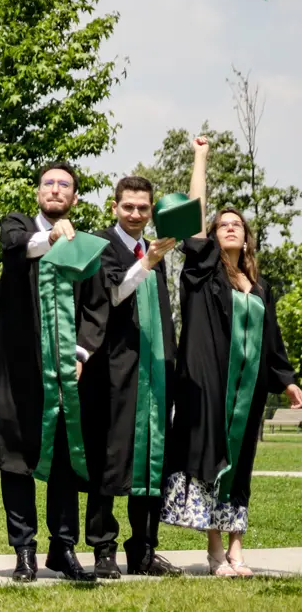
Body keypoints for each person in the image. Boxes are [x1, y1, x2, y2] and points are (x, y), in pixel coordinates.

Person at [162, 136, 302, 576]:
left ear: (246, 237)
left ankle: (238, 553)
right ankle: (215, 552)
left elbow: (273, 341)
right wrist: (200, 156)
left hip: (249, 393)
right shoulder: (203, 274)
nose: (228, 228)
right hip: (209, 387)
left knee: (240, 466)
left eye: (236, 225)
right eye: (222, 224)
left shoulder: (259, 287)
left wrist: (289, 380)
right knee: (212, 462)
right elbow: (193, 222)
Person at [0, 161, 108, 583]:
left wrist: (81, 352)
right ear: (39, 193)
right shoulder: (17, 226)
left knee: (64, 462)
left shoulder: (85, 245)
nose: (55, 190)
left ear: (74, 198)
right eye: (48, 183)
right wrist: (49, 236)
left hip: (67, 374)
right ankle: (24, 551)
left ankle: (64, 548)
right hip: (17, 371)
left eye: (64, 185)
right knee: (16, 460)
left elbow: (96, 305)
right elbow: (17, 247)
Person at [79, 174, 183, 578]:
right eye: (129, 207)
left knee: (151, 461)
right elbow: (111, 298)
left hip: (154, 373)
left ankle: (143, 549)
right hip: (113, 373)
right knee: (110, 460)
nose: (136, 214)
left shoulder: (155, 249)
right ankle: (103, 548)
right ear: (114, 207)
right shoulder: (102, 246)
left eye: (143, 208)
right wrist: (146, 263)